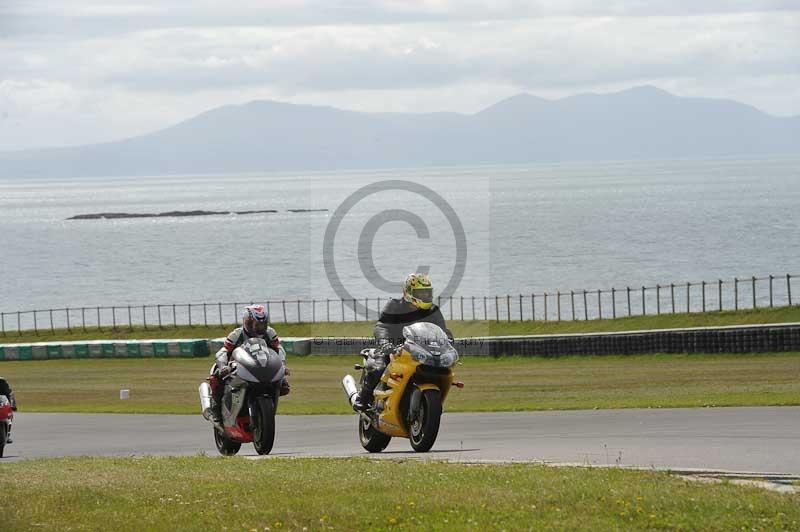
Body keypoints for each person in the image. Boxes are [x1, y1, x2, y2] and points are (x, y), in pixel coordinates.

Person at [353, 273, 453, 411]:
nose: (425, 297)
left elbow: (442, 331)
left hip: (421, 350)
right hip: (394, 348)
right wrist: (385, 343)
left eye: (427, 293)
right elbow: (382, 326)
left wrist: (448, 340)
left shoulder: (433, 310)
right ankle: (362, 398)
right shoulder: (395, 305)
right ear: (408, 293)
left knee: (441, 369)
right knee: (379, 367)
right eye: (421, 293)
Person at [205, 304, 290, 422]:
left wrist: (282, 364)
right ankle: (216, 408)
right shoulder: (237, 334)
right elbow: (223, 351)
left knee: (282, 381)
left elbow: (278, 349)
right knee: (216, 375)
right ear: (247, 322)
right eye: (255, 324)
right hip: (237, 367)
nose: (258, 328)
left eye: (261, 325)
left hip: (261, 367)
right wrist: (223, 366)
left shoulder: (270, 332)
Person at [0, 376, 16, 443]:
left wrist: (12, 405)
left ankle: (7, 434)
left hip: (1, 405)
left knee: (9, 413)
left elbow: (9, 393)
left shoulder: (2, 381)